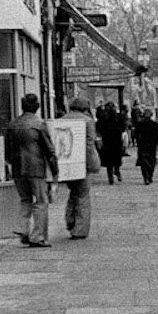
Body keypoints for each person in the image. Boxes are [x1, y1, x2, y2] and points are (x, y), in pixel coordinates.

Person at [4, 93, 58, 248]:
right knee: (41, 201)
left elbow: (7, 150)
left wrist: (11, 164)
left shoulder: (13, 124)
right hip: (36, 168)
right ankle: (38, 236)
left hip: (17, 169)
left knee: (25, 199)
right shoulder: (39, 124)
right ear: (37, 106)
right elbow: (49, 150)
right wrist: (55, 172)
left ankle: (22, 229)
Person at [63, 97, 99, 239]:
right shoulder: (88, 121)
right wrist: (92, 164)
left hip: (68, 161)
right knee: (83, 195)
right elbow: (89, 144)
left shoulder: (63, 119)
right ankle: (80, 229)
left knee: (73, 192)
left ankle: (70, 219)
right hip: (83, 162)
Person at [97, 101, 125, 184]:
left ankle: (110, 177)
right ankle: (117, 170)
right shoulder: (118, 117)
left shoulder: (103, 118)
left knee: (109, 159)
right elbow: (123, 127)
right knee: (117, 156)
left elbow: (99, 127)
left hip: (107, 140)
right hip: (117, 139)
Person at [132, 107, 158, 184]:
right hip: (151, 145)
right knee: (151, 161)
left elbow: (135, 134)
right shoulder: (154, 124)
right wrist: (156, 142)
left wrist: (137, 142)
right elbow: (157, 135)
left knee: (144, 162)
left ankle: (146, 176)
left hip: (143, 145)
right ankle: (150, 175)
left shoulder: (140, 124)